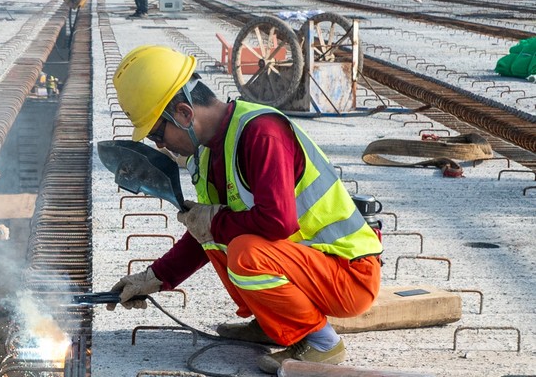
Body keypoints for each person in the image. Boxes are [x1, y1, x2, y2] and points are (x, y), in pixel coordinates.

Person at [106, 46, 382, 374]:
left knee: (244, 252)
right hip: (310, 266)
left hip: (349, 273)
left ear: (183, 113)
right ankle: (274, 323)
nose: (160, 145)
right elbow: (206, 235)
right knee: (223, 238)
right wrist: (155, 277)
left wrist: (214, 222)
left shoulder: (262, 133)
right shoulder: (207, 154)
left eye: (156, 133)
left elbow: (277, 222)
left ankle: (321, 342)